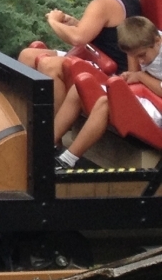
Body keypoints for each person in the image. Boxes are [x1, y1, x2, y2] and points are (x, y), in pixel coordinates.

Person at [19, 0, 143, 108]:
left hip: (110, 70)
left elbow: (78, 39)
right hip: (97, 56)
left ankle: (51, 123)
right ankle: (24, 118)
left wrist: (53, 21)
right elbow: (109, 35)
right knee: (27, 56)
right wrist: (75, 23)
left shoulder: (103, 5)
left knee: (49, 65)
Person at [53, 15, 162, 171]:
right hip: (145, 94)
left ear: (157, 42)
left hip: (157, 105)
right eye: (135, 56)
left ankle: (67, 160)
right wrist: (131, 76)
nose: (141, 61)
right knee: (80, 87)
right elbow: (135, 73)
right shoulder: (143, 43)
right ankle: (49, 144)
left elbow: (143, 78)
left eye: (142, 55)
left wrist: (140, 76)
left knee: (107, 103)